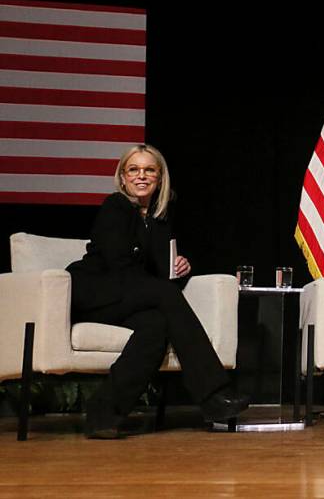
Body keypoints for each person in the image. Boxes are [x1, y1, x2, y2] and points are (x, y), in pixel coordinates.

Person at [68, 144, 249, 438]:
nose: (142, 176)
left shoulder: (159, 218)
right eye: (134, 170)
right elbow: (119, 265)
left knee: (156, 325)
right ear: (123, 177)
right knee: (164, 295)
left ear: (160, 177)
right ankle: (214, 393)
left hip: (126, 298)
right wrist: (162, 284)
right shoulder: (115, 207)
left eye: (149, 170)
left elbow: (159, 274)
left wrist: (178, 269)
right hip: (94, 291)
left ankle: (102, 415)